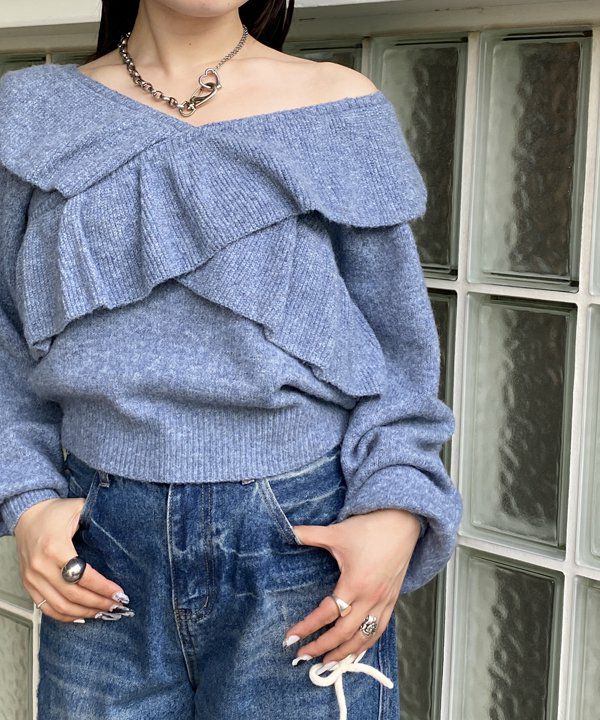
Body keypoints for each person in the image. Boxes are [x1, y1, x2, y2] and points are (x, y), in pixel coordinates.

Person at [0, 1, 463, 718]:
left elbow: (398, 346)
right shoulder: (34, 115)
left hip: (301, 539)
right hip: (101, 545)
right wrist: (27, 501)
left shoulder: (336, 108)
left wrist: (398, 508)